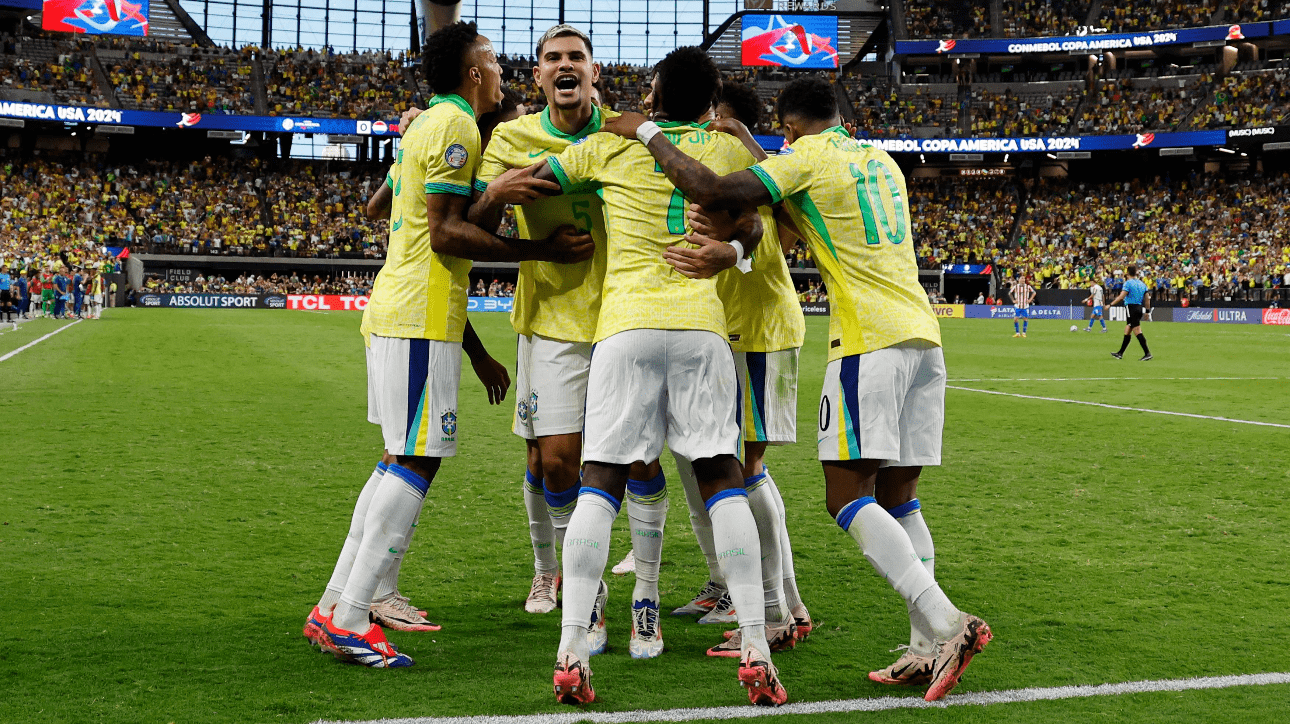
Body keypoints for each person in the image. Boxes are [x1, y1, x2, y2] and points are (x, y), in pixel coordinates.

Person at [605, 75, 992, 703]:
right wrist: (757, 147)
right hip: (923, 337)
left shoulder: (805, 156)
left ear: (789, 126)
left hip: (868, 342)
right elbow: (796, 197)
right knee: (902, 498)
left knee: (846, 496)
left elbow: (711, 187)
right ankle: (925, 647)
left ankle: (948, 622)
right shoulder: (880, 159)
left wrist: (642, 129)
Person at [303, 20, 593, 670]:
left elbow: (393, 210)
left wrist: (490, 196)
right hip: (418, 315)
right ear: (471, 72)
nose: (499, 71)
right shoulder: (458, 127)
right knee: (415, 462)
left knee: (399, 460)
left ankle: (335, 606)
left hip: (405, 312)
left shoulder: (427, 124)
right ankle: (350, 616)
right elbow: (445, 235)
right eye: (491, 60)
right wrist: (537, 249)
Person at [528, 46, 784, 706]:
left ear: (657, 92)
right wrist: (731, 248)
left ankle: (569, 649)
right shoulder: (724, 151)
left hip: (626, 327)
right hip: (701, 328)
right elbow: (758, 219)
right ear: (709, 102)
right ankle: (755, 643)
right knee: (722, 477)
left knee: (602, 478)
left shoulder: (609, 145)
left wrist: (498, 189)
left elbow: (534, 179)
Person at [471, 24, 644, 654]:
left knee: (637, 457)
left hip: (627, 316)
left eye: (576, 57)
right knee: (552, 460)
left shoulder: (627, 133)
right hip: (549, 320)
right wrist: (498, 190)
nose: (564, 66)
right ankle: (559, 574)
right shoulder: (512, 139)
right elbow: (470, 221)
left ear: (595, 73)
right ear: (538, 75)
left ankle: (634, 584)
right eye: (553, 59)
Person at [671, 80, 813, 657]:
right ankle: (732, 585)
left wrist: (750, 142)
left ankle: (780, 608)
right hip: (729, 332)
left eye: (716, 121)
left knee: (745, 467)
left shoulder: (760, 175)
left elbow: (788, 217)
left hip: (759, 333)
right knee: (718, 464)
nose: (709, 131)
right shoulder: (735, 177)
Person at [1110, 264, 1152, 361]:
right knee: (1128, 329)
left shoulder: (1128, 283)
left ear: (1128, 272)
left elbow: (1121, 297)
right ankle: (1120, 353)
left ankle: (1147, 353)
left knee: (1137, 330)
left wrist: (1110, 305)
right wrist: (1147, 311)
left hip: (1131, 308)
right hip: (1139, 308)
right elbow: (1147, 299)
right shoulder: (1142, 284)